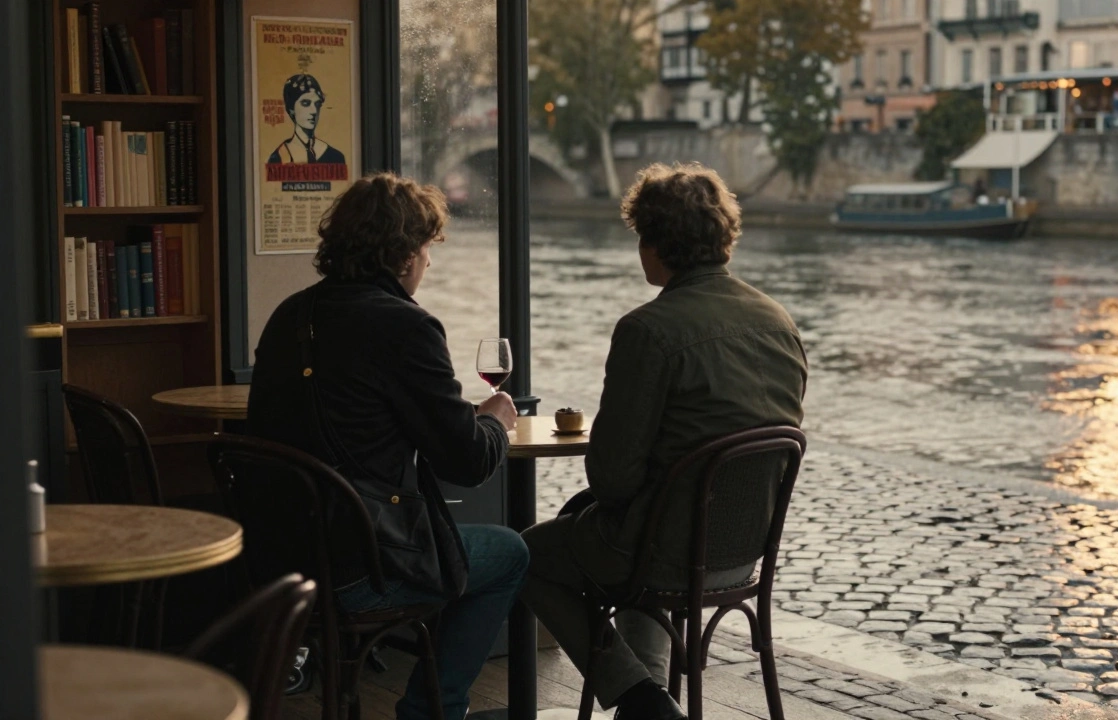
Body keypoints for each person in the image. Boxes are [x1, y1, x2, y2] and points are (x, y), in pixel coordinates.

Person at [521, 163, 808, 720]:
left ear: (656, 244)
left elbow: (612, 477)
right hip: (742, 553)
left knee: (527, 554)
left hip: (665, 553)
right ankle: (644, 702)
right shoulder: (780, 322)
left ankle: (641, 698)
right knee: (631, 523)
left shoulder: (647, 330)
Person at [247, 172, 525, 720]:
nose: (427, 262)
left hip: (276, 559)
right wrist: (495, 421)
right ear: (403, 256)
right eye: (425, 249)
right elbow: (467, 462)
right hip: (358, 568)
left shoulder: (290, 315)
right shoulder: (405, 326)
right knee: (510, 552)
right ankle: (430, 711)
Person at [267, 73, 346, 165]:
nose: (314, 111)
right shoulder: (278, 158)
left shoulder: (335, 157)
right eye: (306, 103)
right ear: (291, 109)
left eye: (317, 104)